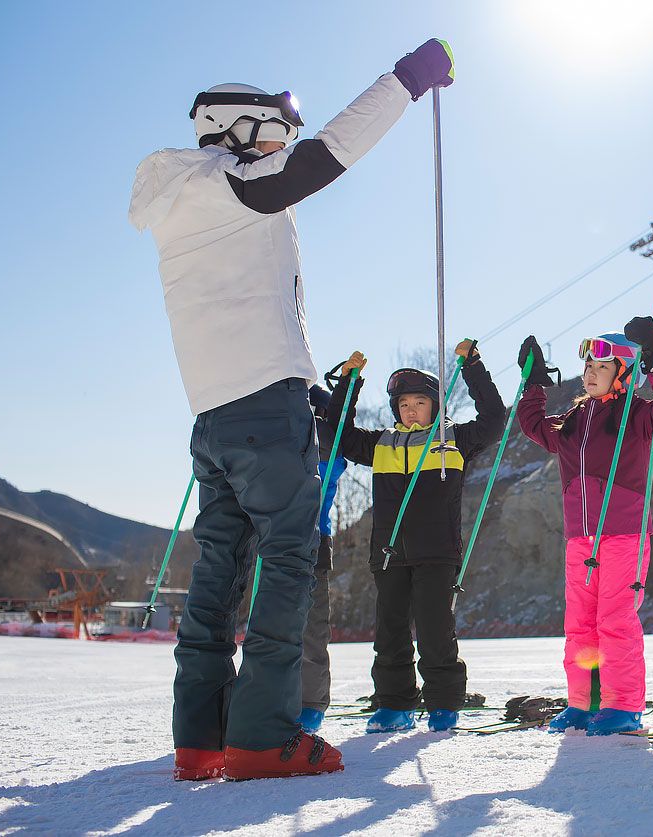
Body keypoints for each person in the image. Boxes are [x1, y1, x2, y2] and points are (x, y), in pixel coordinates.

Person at [128, 39, 455, 781]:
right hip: (265, 406)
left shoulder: (183, 198)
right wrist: (409, 79)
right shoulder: (233, 183)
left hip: (211, 416)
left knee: (219, 567)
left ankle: (201, 737)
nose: (283, 141)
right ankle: (263, 736)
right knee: (289, 561)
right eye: (274, 127)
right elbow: (329, 153)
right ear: (237, 127)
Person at [324, 341, 505, 734]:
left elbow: (494, 419)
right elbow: (338, 434)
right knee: (389, 633)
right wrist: (348, 385)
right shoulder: (381, 444)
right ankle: (393, 704)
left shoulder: (453, 438)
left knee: (435, 631)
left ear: (434, 406)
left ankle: (443, 703)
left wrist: (472, 367)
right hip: (389, 554)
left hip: (436, 554)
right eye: (404, 403)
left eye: (419, 402)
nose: (410, 409)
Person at [516, 319, 653, 736]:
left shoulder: (637, 415)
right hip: (580, 538)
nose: (590, 373)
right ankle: (583, 702)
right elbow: (535, 425)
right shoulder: (573, 420)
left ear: (624, 374)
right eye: (588, 365)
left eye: (601, 367)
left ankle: (624, 706)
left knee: (616, 620)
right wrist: (533, 383)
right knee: (580, 624)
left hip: (624, 534)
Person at [296, 385, 348, 735]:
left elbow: (332, 463)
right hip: (275, 542)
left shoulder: (328, 451)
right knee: (278, 629)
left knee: (311, 630)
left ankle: (310, 706)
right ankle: (286, 699)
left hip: (312, 542)